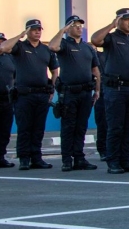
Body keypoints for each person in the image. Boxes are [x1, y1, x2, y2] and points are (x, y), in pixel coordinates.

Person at [90, 8, 129, 173]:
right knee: (116, 127)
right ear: (118, 21)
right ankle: (113, 161)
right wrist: (111, 25)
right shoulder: (111, 38)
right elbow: (95, 39)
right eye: (126, 19)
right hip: (116, 89)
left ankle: (126, 159)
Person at [1, 20, 59, 169]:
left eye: (39, 29)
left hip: (41, 94)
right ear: (28, 31)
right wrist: (20, 36)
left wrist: (52, 88)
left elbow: (54, 70)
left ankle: (36, 158)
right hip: (23, 95)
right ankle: (24, 158)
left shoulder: (46, 50)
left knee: (38, 128)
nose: (38, 32)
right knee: (25, 128)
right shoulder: (19, 47)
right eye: (34, 29)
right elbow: (4, 47)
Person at [48, 15, 101, 172]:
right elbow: (52, 46)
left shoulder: (88, 48)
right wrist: (62, 31)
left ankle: (79, 158)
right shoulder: (64, 44)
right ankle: (66, 159)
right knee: (68, 126)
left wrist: (97, 89)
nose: (79, 27)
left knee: (81, 127)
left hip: (86, 92)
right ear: (68, 28)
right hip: (69, 93)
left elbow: (95, 70)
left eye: (80, 25)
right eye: (75, 25)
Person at [0, 33, 15, 168]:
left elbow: (15, 76)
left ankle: (1, 156)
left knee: (5, 130)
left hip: (7, 99)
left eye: (2, 42)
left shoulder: (10, 58)